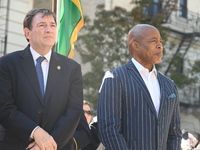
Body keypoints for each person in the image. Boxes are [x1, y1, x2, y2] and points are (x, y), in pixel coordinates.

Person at [0, 8, 90, 150]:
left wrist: (48, 144)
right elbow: (4, 107)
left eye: (52, 25)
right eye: (42, 25)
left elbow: (73, 111)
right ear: (27, 33)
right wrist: (35, 132)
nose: (49, 30)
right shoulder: (6, 64)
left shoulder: (72, 68)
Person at [97, 24, 182, 150]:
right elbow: (109, 130)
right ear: (135, 45)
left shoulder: (170, 85)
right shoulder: (114, 78)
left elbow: (174, 133)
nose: (160, 46)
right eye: (153, 41)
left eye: (160, 42)